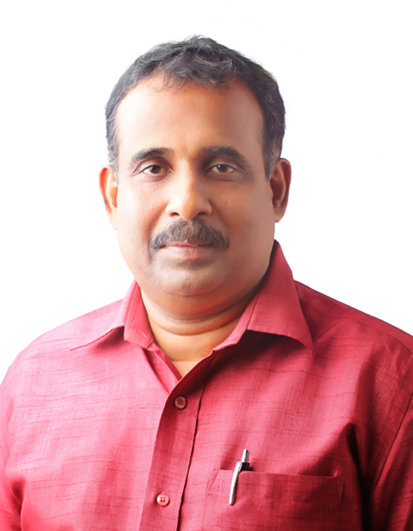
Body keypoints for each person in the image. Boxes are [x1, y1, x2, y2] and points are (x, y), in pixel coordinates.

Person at [1, 36, 412, 531]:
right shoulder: (33, 383)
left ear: (276, 190)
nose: (188, 202)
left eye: (221, 167)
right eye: (154, 168)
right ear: (113, 197)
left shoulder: (391, 383)